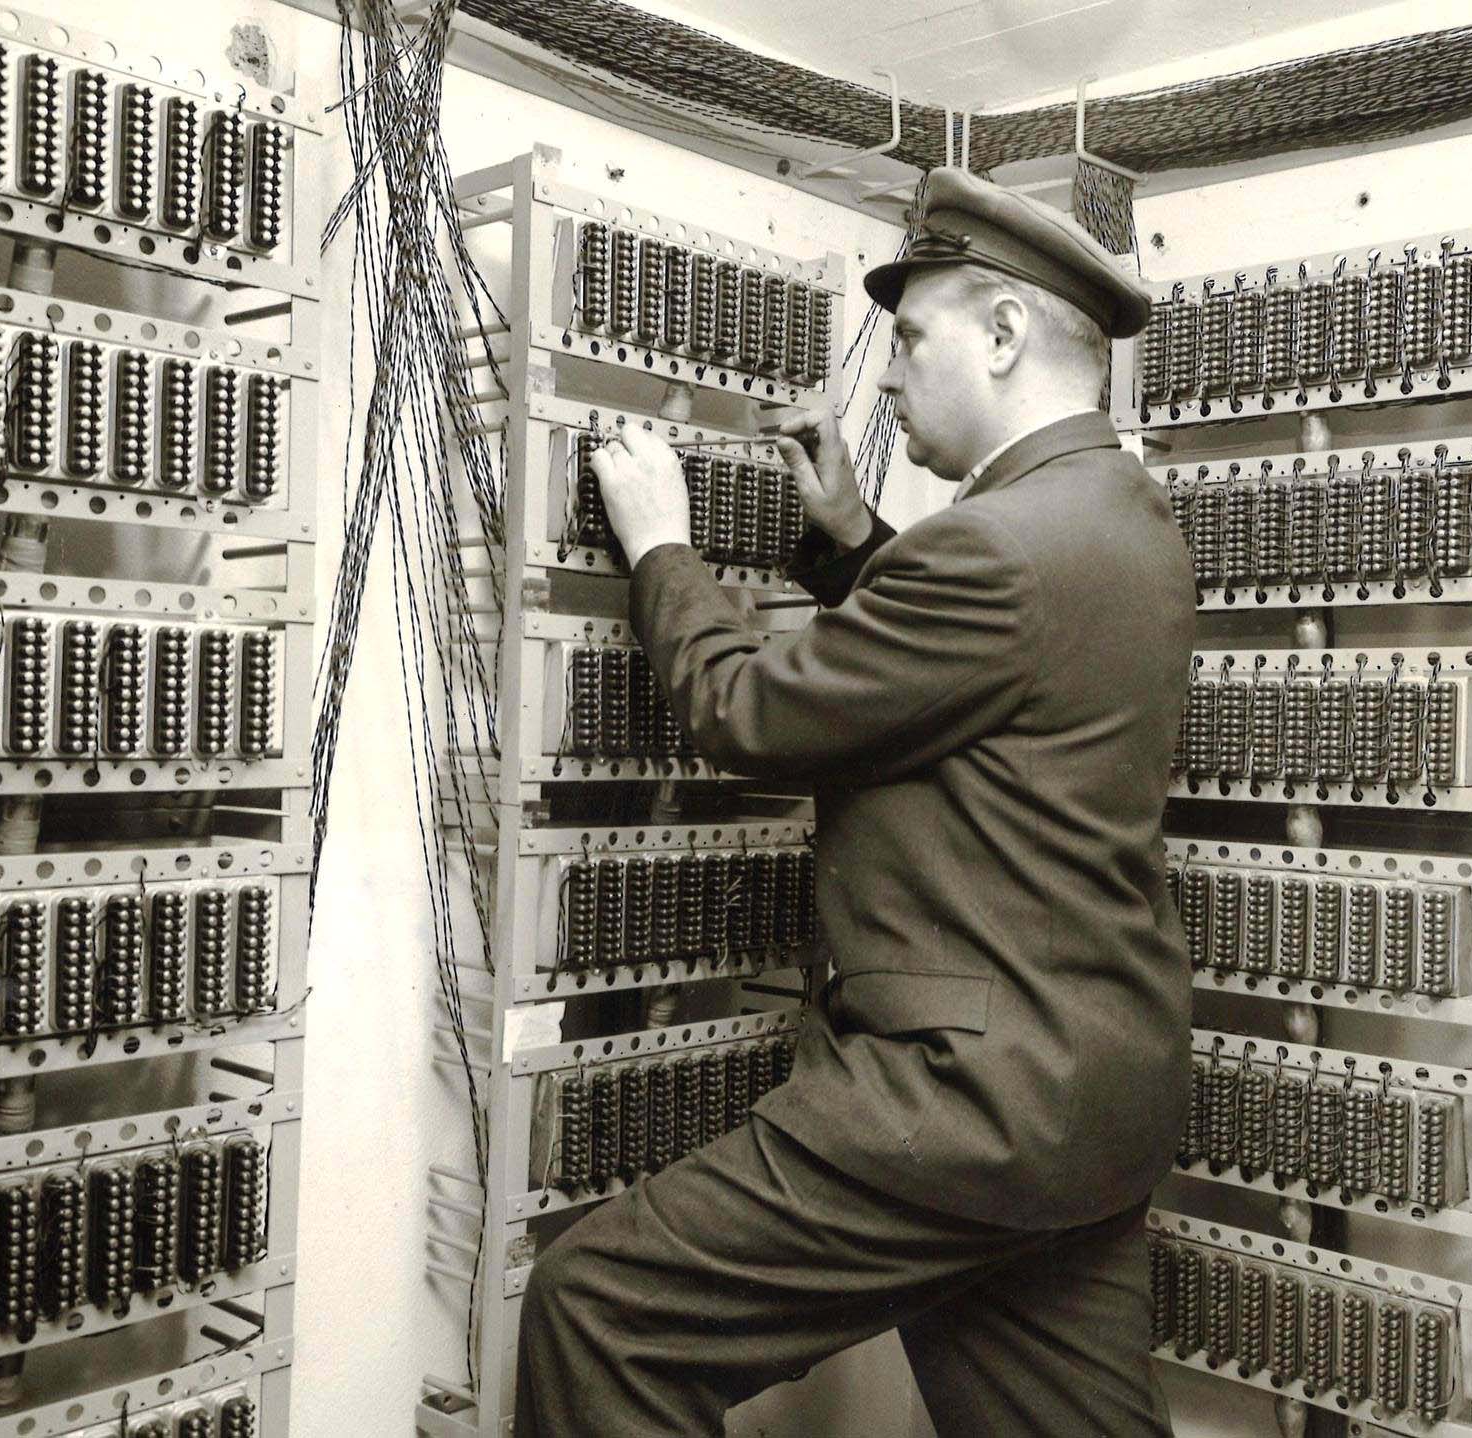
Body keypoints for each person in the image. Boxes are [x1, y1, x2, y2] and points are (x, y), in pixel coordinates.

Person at [513, 167, 1197, 1438]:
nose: (886, 378)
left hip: (963, 1103)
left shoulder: (989, 546)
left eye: (914, 336)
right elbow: (1001, 669)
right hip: (1094, 1104)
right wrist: (852, 537)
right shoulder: (1124, 519)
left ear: (1003, 332)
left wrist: (660, 544)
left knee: (599, 1309)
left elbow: (750, 715)